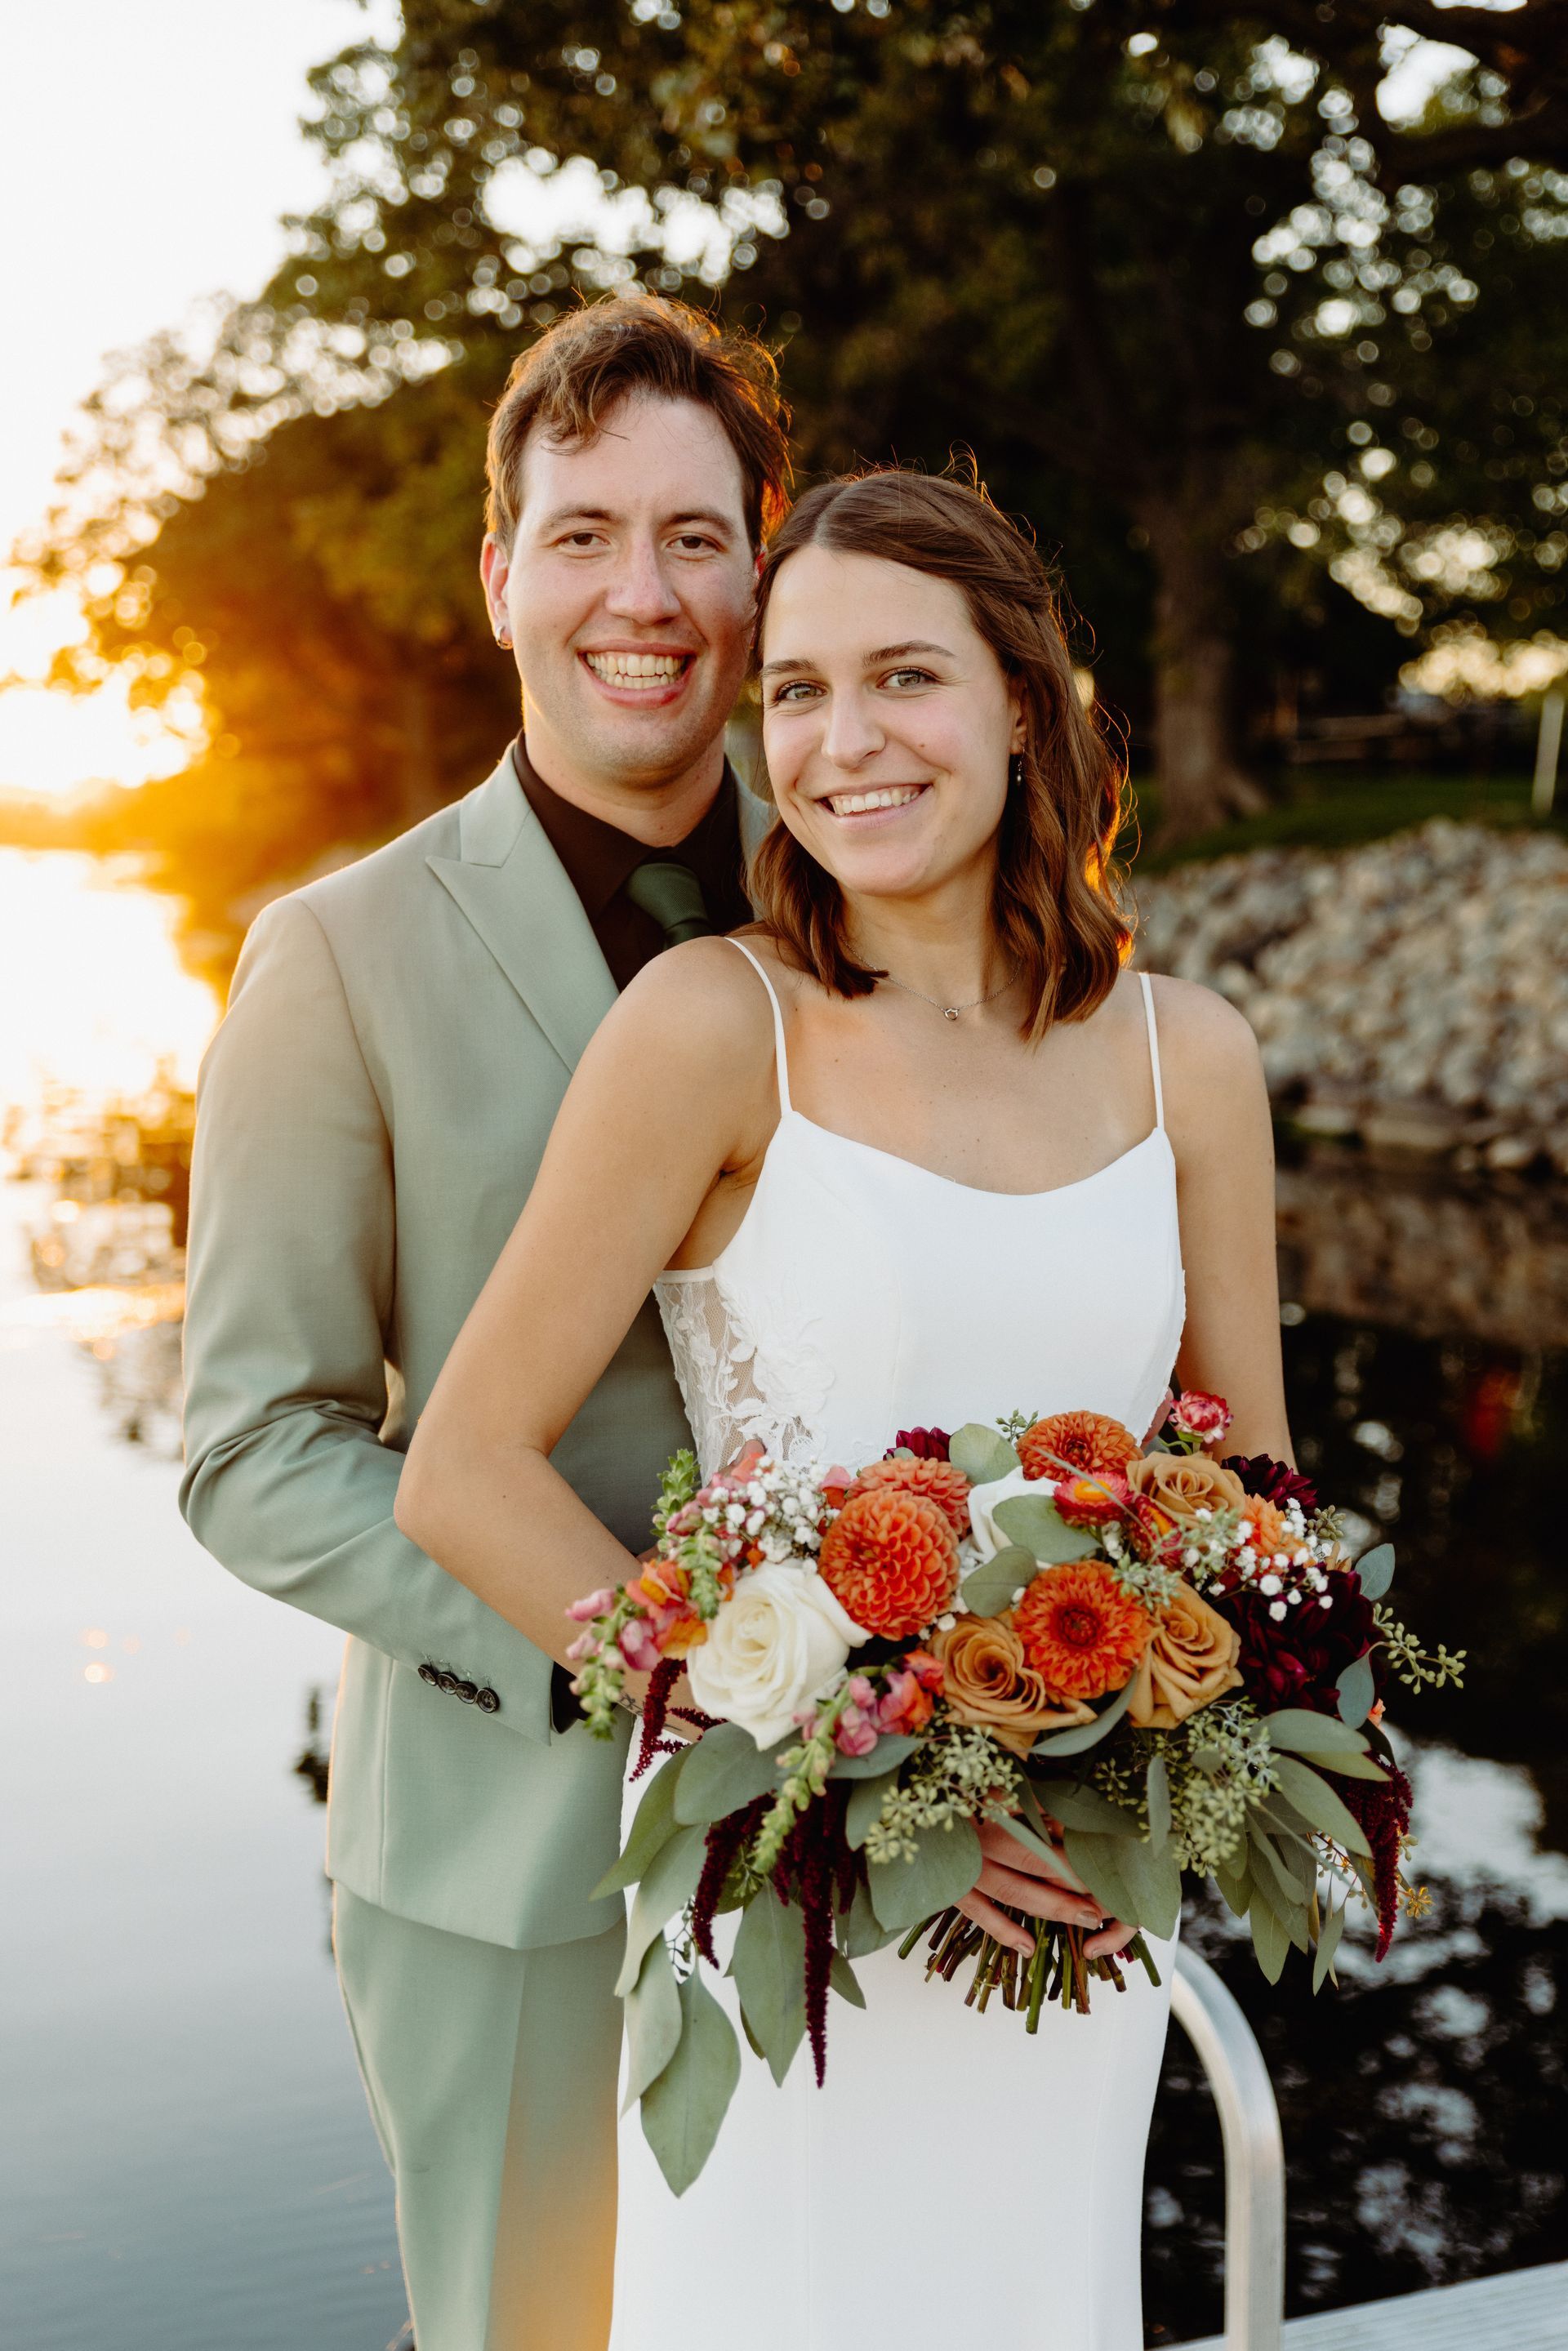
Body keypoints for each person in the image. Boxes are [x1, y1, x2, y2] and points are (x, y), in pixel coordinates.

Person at [396, 467, 1293, 2347]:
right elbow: (465, 1472)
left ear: (1024, 708)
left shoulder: (1188, 1056)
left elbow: (1250, 1504)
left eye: (904, 678)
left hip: (1086, 1904)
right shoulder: (717, 1027)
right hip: (800, 1880)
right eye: (794, 691)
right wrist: (833, 1769)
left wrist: (1170, 1765)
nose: (840, 740)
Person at [179, 292, 790, 2351]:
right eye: (591, 532)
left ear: (762, 567)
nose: (649, 593)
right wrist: (612, 1653)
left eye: (698, 538)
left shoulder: (872, 894)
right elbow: (254, 1445)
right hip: (511, 1870)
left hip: (895, 1828)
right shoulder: (332, 957)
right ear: (502, 573)